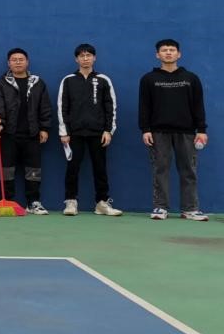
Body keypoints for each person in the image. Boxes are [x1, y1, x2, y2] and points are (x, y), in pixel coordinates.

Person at [139, 38, 209, 221]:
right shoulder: (148, 79)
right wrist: (145, 129)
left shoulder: (191, 78)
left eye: (172, 50)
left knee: (188, 170)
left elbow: (198, 105)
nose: (168, 53)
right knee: (160, 170)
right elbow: (144, 106)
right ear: (157, 55)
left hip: (186, 132)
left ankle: (190, 209)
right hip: (158, 132)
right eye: (164, 50)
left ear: (179, 54)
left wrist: (201, 130)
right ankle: (160, 207)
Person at [57, 44, 122, 217]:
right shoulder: (68, 80)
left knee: (100, 168)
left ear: (94, 58)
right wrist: (64, 132)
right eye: (82, 56)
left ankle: (102, 203)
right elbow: (62, 106)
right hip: (74, 133)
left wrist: (108, 130)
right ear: (76, 59)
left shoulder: (103, 79)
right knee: (72, 168)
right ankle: (71, 201)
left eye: (88, 55)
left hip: (98, 133)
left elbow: (111, 106)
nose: (85, 58)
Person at [0, 48, 52, 215]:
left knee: (34, 170)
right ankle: (8, 201)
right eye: (14, 59)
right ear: (8, 63)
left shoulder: (38, 83)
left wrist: (44, 128)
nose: (18, 62)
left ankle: (33, 203)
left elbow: (45, 107)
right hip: (8, 134)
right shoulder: (1, 83)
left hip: (32, 134)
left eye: (21, 59)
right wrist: (0, 123)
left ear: (27, 62)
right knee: (6, 170)